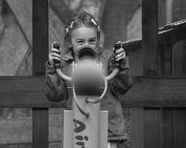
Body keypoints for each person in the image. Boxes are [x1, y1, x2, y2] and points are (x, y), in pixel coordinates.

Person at [45, 11, 133, 148]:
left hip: (109, 132)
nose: (86, 45)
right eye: (80, 42)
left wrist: (120, 65)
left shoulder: (108, 59)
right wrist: (52, 68)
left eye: (91, 41)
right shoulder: (64, 64)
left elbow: (121, 87)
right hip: (79, 131)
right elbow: (55, 95)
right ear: (70, 41)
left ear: (98, 39)